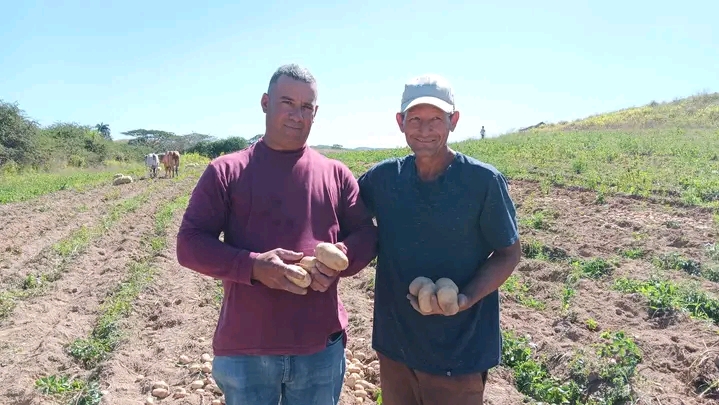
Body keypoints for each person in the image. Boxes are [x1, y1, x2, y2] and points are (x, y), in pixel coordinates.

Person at [176, 63, 378, 405]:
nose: (297, 115)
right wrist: (254, 267)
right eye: (287, 103)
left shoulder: (336, 174)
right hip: (247, 350)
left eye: (306, 107)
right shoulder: (227, 171)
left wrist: (339, 260)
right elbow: (189, 244)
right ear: (265, 103)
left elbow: (366, 235)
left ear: (315, 113)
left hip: (319, 348)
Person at [357, 74, 521, 405]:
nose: (425, 129)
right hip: (395, 348)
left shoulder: (482, 182)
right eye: (415, 119)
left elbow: (509, 253)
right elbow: (344, 217)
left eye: (436, 119)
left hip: (458, 354)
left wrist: (466, 298)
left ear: (453, 121)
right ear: (400, 122)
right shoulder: (384, 179)